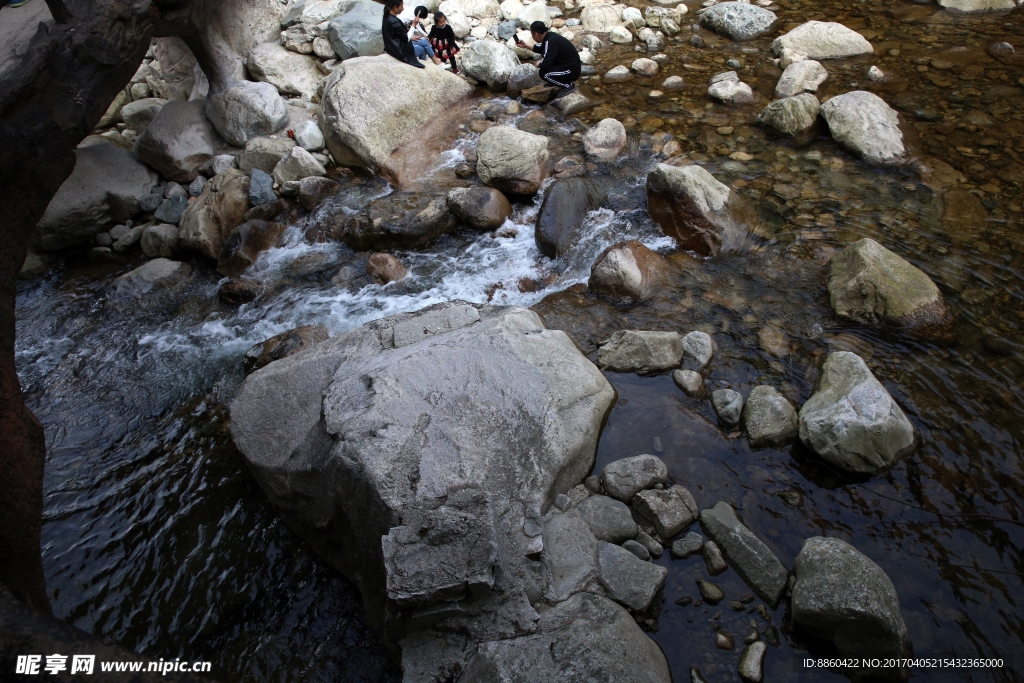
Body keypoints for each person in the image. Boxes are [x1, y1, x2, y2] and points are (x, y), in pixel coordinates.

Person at [515, 21, 581, 98]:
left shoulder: (550, 41)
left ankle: (568, 85)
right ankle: (556, 82)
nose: (532, 37)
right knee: (546, 71)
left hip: (572, 71)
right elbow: (541, 49)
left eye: (532, 35)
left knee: (544, 74)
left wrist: (539, 64)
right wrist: (525, 45)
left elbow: (546, 64)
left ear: (536, 34)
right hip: (568, 66)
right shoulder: (550, 37)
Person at [382, 0, 424, 68]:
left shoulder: (386, 16)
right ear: (395, 7)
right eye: (401, 7)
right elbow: (406, 39)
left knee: (423, 42)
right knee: (422, 49)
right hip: (399, 51)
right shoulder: (395, 22)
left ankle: (437, 62)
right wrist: (413, 25)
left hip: (390, 47)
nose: (403, 9)